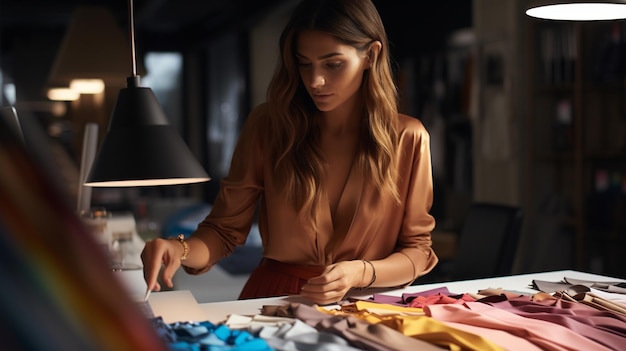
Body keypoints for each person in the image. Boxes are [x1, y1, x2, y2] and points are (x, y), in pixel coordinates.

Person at [142, 0, 438, 306]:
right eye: (304, 63)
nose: (315, 81)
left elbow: (418, 251)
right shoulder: (269, 127)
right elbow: (223, 230)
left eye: (333, 64)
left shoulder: (408, 138)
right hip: (276, 302)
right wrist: (180, 249)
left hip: (368, 307)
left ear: (370, 55)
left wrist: (361, 273)